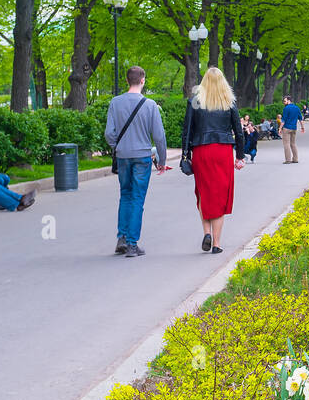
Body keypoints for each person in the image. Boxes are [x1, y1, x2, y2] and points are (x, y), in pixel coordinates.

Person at [182, 67, 246, 254]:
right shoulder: (229, 102)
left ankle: (206, 232)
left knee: (204, 192)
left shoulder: (195, 102)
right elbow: (239, 132)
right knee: (220, 195)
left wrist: (186, 154)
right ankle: (217, 243)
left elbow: (187, 131)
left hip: (202, 151)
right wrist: (240, 156)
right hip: (223, 151)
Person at [105, 65, 167, 258]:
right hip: (142, 157)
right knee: (137, 199)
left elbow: (109, 134)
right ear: (143, 80)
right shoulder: (149, 105)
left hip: (123, 156)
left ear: (126, 80)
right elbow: (159, 137)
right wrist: (161, 160)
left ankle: (121, 238)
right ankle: (132, 244)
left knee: (125, 195)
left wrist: (120, 146)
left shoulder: (115, 102)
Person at [280, 96, 304, 163]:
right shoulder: (297, 108)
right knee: (293, 144)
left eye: (285, 101)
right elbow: (300, 119)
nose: (284, 102)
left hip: (287, 128)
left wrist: (279, 128)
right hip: (294, 128)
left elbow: (283, 120)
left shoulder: (286, 108)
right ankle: (295, 159)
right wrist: (302, 127)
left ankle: (288, 160)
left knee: (286, 144)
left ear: (289, 101)